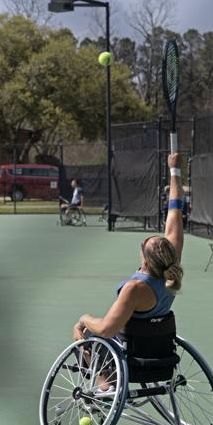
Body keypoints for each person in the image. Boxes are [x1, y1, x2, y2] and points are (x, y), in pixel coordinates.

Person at [72, 151, 185, 392]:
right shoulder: (170, 267)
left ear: (146, 260)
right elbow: (175, 210)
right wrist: (174, 171)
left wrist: (83, 319)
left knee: (82, 333)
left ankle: (105, 386)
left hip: (130, 353)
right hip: (159, 349)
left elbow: (106, 329)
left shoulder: (136, 288)